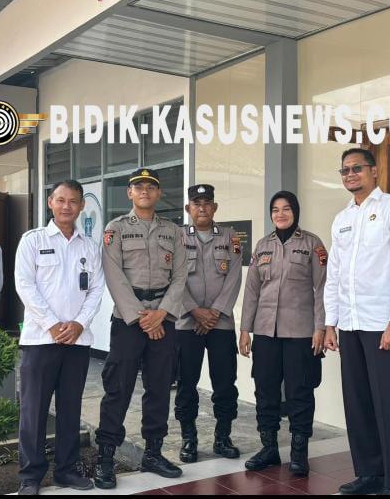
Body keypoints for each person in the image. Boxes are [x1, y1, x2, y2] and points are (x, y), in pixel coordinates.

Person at [324, 148, 390, 496]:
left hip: (381, 323)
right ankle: (369, 474)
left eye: (357, 168)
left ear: (374, 171)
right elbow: (334, 274)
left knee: (388, 402)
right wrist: (330, 322)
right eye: (345, 170)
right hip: (349, 323)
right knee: (358, 402)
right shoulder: (342, 218)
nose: (350, 174)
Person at [93, 168, 187, 489]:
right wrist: (141, 317)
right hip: (128, 321)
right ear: (129, 193)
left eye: (151, 186)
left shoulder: (173, 231)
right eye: (138, 186)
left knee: (159, 388)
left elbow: (180, 276)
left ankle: (153, 454)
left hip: (163, 319)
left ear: (158, 193)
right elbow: (113, 275)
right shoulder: (116, 229)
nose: (145, 190)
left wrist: (161, 314)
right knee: (118, 388)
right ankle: (105, 458)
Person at [14, 180, 105, 495]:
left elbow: (96, 290)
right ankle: (30, 476)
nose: (67, 206)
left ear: (82, 206)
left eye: (73, 201)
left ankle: (66, 471)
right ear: (50, 202)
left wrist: (79, 323)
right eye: (61, 200)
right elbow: (25, 285)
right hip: (40, 340)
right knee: (33, 411)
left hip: (77, 342)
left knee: (70, 409)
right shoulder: (33, 241)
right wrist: (52, 324)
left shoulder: (89, 246)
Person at [239, 191, 327, 477]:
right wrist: (245, 330)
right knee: (265, 391)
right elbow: (252, 290)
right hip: (265, 332)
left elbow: (322, 288)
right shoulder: (263, 246)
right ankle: (269, 449)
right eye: (275, 210)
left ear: (295, 212)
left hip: (301, 333)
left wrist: (320, 327)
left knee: (300, 391)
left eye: (286, 209)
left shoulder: (312, 244)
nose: (280, 214)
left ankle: (299, 453)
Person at [175, 184, 243, 463]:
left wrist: (213, 313)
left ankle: (222, 437)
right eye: (196, 203)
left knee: (225, 383)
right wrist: (195, 311)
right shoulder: (177, 237)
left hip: (220, 324)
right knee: (186, 384)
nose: (202, 208)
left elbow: (234, 277)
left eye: (207, 203)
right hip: (186, 324)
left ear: (215, 207)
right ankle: (188, 438)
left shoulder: (230, 237)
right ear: (188, 208)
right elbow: (173, 278)